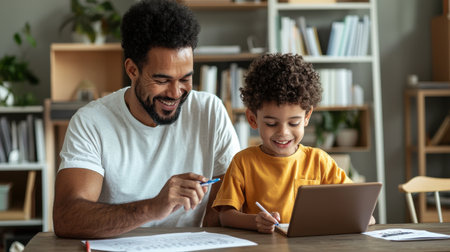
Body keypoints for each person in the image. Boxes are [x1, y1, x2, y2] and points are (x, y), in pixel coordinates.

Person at [53, 0, 240, 239]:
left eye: (185, 79)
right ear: (132, 70)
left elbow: (227, 207)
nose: (175, 93)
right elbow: (66, 217)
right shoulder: (91, 122)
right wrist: (152, 208)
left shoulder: (210, 111)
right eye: (162, 80)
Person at [212, 53, 369, 234]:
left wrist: (362, 217)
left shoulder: (319, 161)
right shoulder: (243, 162)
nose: (283, 133)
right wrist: (255, 221)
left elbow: (358, 207)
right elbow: (225, 215)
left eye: (293, 123)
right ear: (252, 119)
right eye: (271, 123)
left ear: (307, 117)